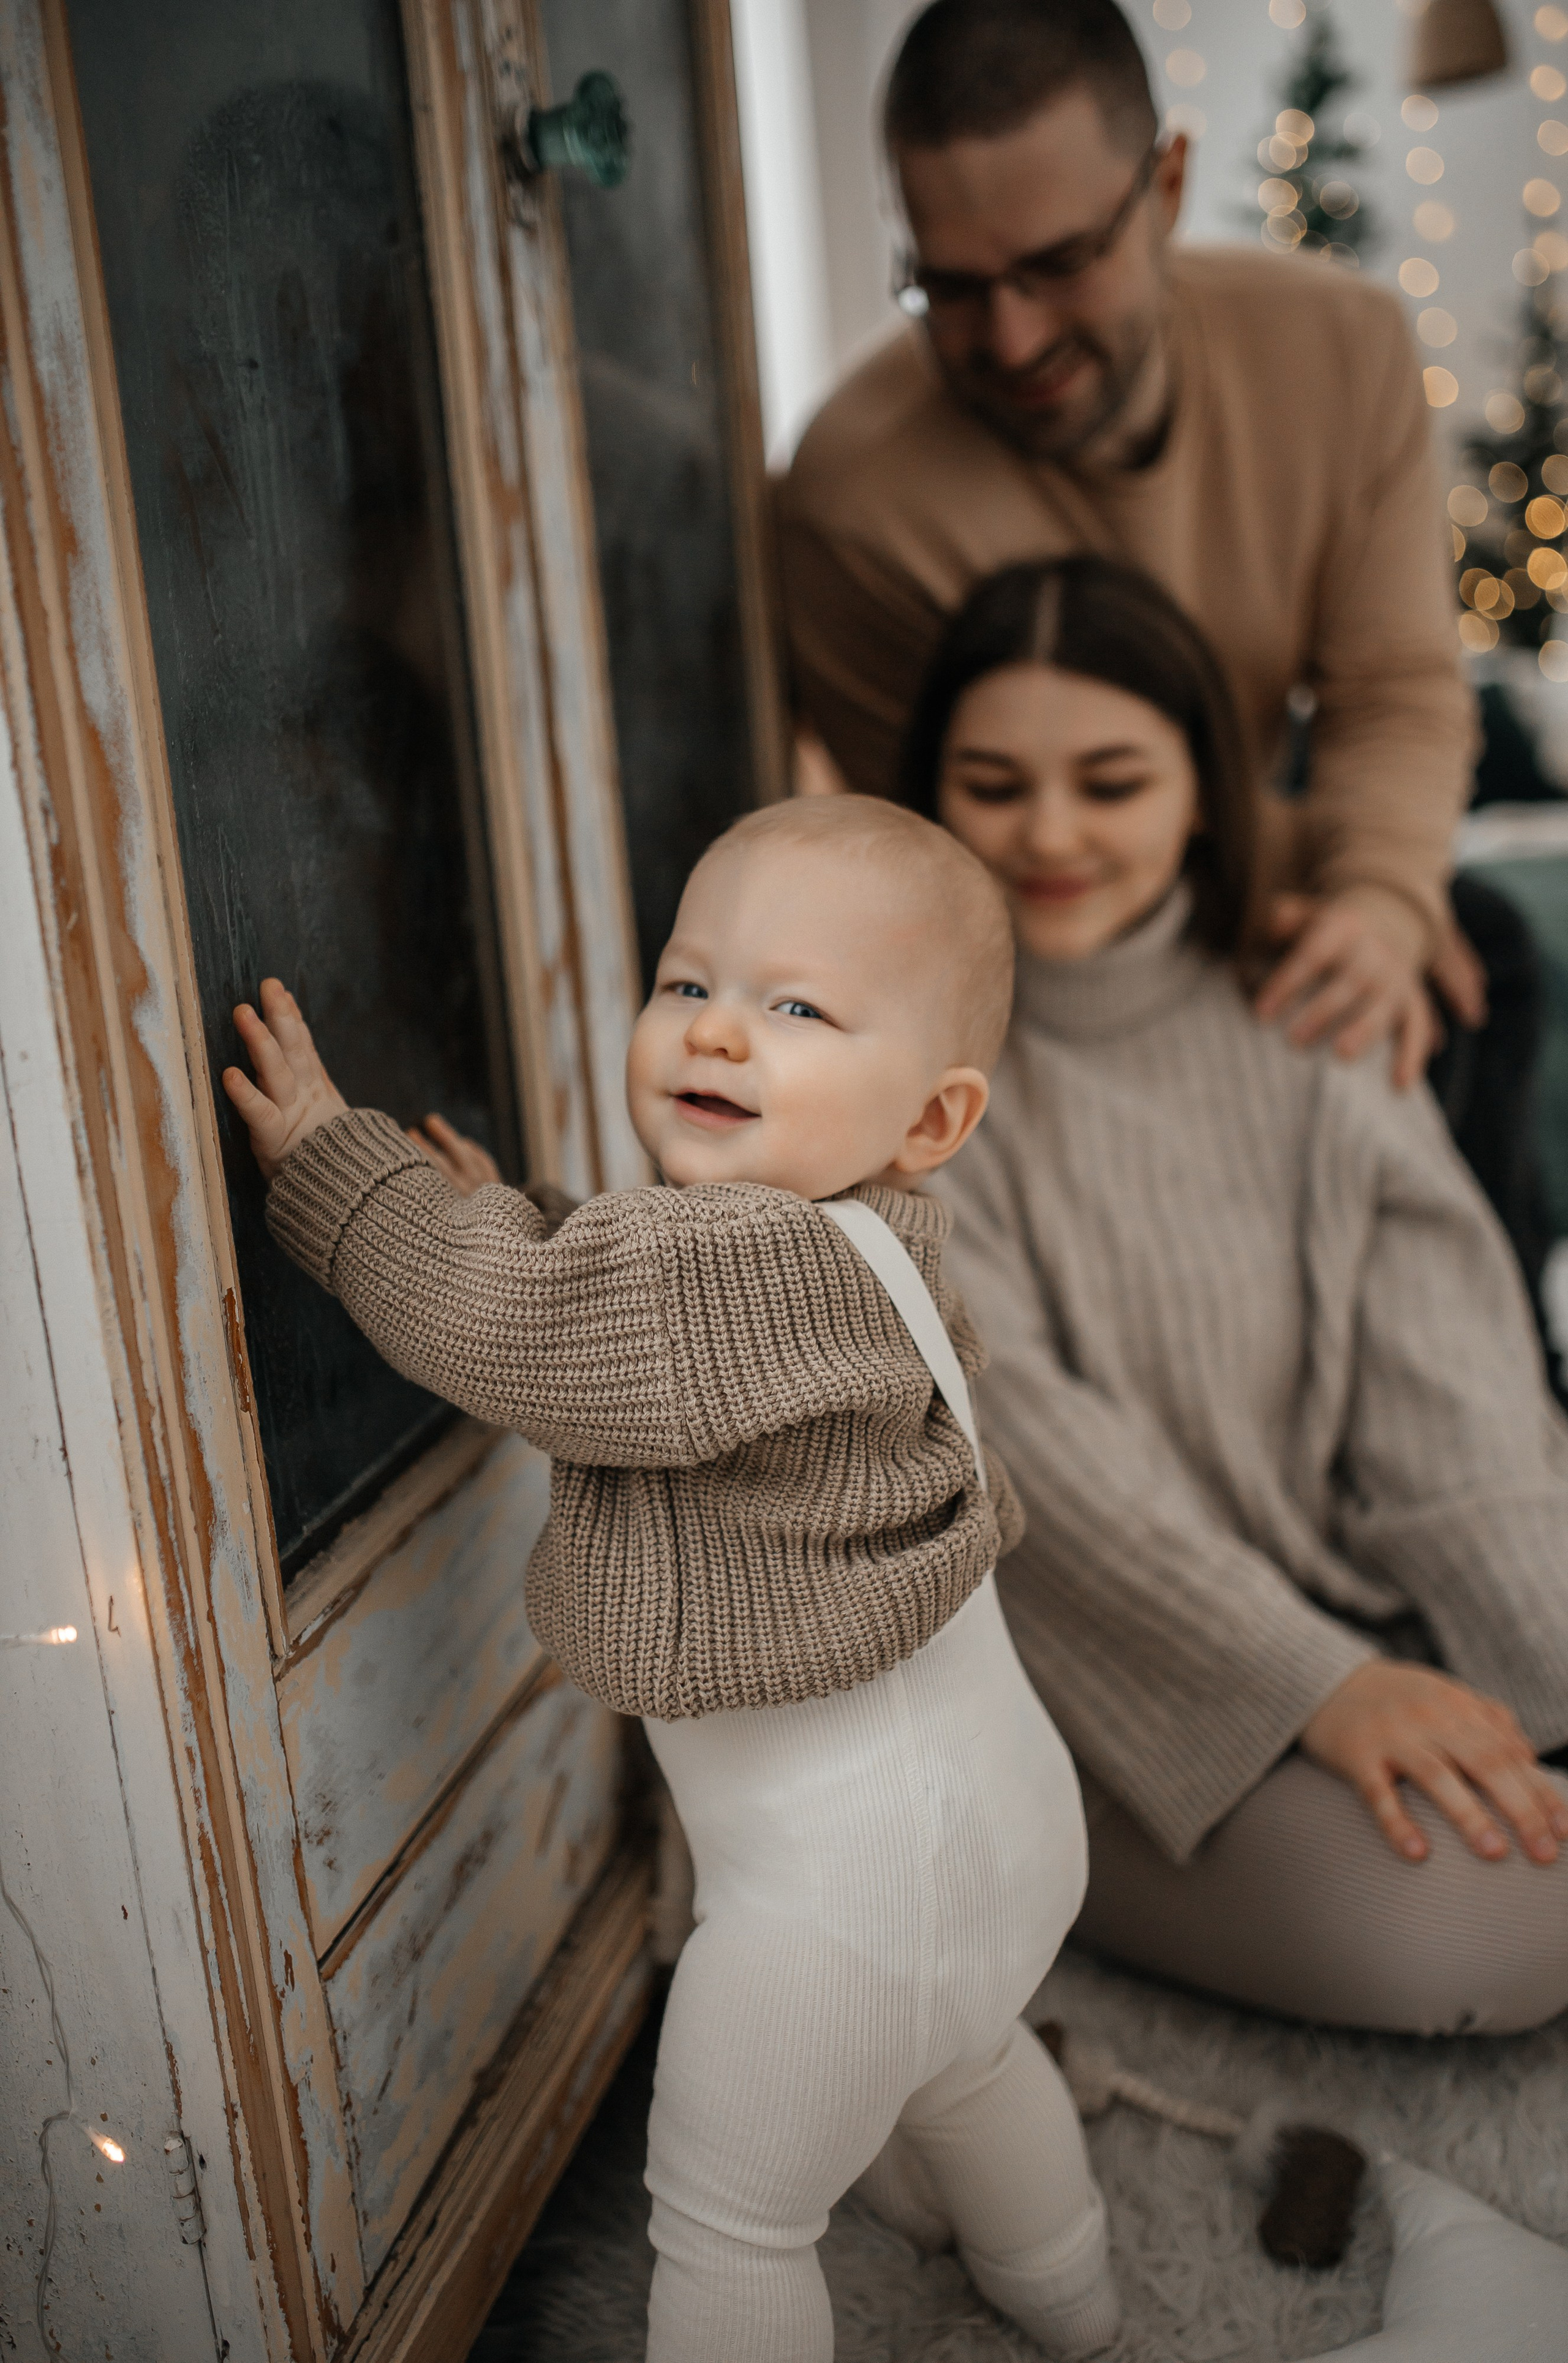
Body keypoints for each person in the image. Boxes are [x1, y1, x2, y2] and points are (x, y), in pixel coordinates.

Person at [220, 797, 1121, 2363]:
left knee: (728, 2223)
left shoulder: (734, 1273)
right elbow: (647, 1337)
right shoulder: (873, 1249)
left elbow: (523, 1329)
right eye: (687, 982)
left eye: (794, 1007)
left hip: (833, 1904)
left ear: (928, 1118)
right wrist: (532, 1222)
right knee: (971, 2065)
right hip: (1011, 1829)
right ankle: (1078, 2303)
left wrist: (337, 1170)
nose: (716, 1035)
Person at [906, 553, 1568, 2035]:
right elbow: (1020, 1455)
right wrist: (1314, 1685)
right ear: (931, 794)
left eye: (1112, 781)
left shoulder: (1308, 1016)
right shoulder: (899, 1083)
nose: (1052, 834)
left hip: (1366, 1601)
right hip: (1100, 1690)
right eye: (994, 784)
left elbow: (1445, 1382)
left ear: (1202, 787)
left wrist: (1547, 1669)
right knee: (1468, 1938)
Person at [778, 0, 1491, 1099]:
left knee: (1475, 970)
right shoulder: (852, 498)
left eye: (1059, 263)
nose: (1014, 339)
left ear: (1165, 192)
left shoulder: (1344, 348)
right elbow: (975, 860)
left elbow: (1392, 691)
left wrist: (1382, 904)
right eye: (952, 288)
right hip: (1057, 937)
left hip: (1258, 830)